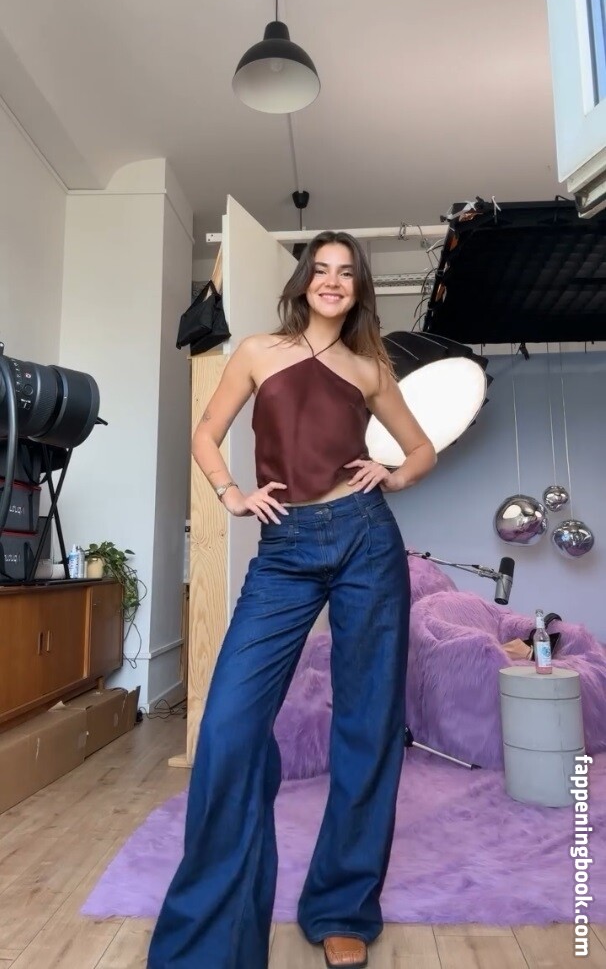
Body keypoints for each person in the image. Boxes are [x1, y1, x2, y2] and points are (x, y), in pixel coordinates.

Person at [147, 231, 437, 969]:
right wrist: (231, 493)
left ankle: (342, 905)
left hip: (366, 540)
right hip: (284, 549)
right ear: (304, 280)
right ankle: (212, 940)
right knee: (229, 727)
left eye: (347, 272)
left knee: (368, 725)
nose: (332, 281)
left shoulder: (370, 366)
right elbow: (207, 434)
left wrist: (393, 475)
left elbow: (422, 448)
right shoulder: (257, 351)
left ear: (358, 288)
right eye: (322, 269)